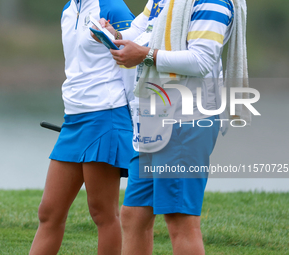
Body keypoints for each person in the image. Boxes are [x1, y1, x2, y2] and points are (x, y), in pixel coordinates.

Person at [94, 0, 249, 254]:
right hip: (152, 115)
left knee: (180, 221)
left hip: (186, 118)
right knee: (134, 215)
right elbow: (140, 31)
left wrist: (144, 55)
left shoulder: (212, 2)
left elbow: (202, 60)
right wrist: (113, 36)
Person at [29, 0, 134, 254]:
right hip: (73, 119)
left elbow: (134, 62)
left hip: (106, 116)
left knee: (102, 212)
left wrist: (136, 120)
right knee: (49, 211)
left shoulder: (113, 8)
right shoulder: (68, 9)